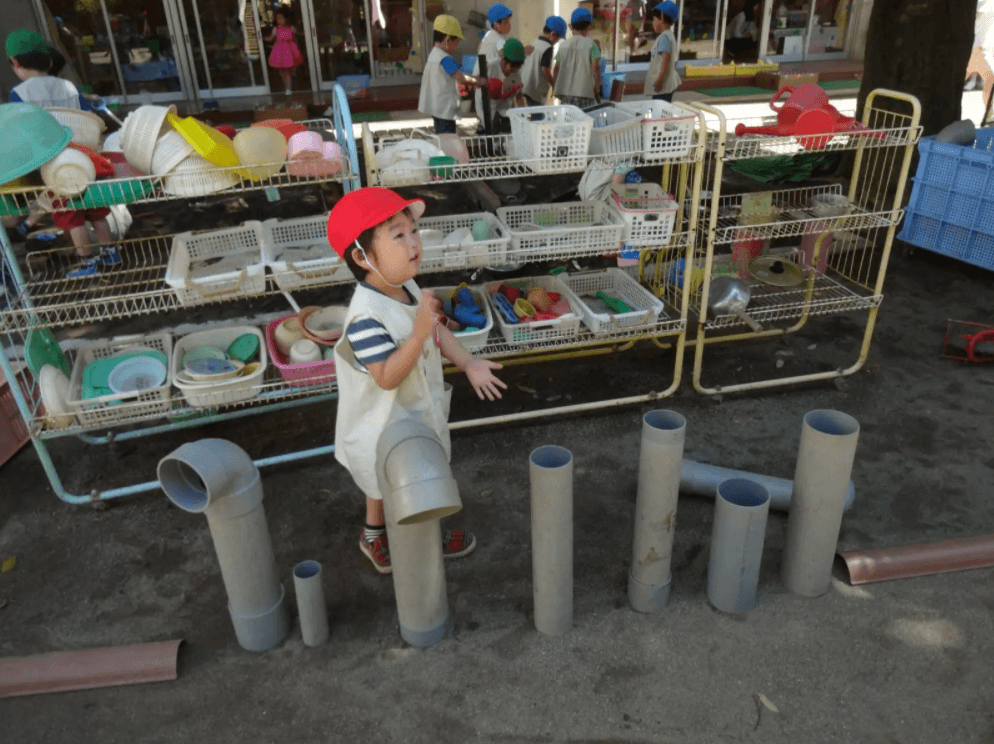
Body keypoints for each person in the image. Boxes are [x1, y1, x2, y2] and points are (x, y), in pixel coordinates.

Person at [326, 187, 507, 574]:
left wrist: (468, 362)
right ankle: (383, 536)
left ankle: (413, 533)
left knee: (414, 477)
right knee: (386, 482)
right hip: (380, 423)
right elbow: (386, 376)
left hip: (412, 412)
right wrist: (419, 332)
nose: (413, 243)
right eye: (397, 235)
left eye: (413, 232)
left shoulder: (405, 287)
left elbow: (436, 331)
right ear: (361, 257)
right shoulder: (365, 318)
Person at [5, 30, 117, 274]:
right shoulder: (68, 86)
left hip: (55, 163)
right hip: (85, 157)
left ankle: (86, 261)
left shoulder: (20, 93)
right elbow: (88, 117)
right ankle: (110, 253)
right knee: (97, 210)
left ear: (15, 62)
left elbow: (22, 129)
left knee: (71, 216)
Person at [417, 15, 485, 134]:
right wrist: (478, 81)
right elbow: (460, 77)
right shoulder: (445, 59)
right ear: (448, 40)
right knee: (447, 136)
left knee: (441, 134)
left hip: (436, 108)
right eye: (455, 43)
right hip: (445, 109)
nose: (455, 47)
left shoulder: (433, 54)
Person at [473, 4, 513, 130]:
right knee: (491, 124)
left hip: (486, 87)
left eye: (509, 21)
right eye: (506, 22)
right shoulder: (496, 38)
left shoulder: (489, 37)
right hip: (489, 88)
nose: (509, 25)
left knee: (488, 122)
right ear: (496, 24)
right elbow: (508, 55)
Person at [553, 8, 601, 109]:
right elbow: (595, 68)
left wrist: (555, 87)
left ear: (571, 26)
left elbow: (556, 68)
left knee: (569, 118)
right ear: (589, 26)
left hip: (565, 94)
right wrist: (597, 90)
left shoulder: (562, 46)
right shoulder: (591, 45)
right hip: (584, 93)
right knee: (585, 117)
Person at [521, 16, 566, 106]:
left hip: (524, 87)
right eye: (558, 38)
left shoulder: (535, 42)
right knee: (538, 114)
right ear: (553, 34)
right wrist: (554, 85)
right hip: (534, 91)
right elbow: (545, 69)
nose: (557, 41)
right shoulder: (548, 47)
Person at [486, 37, 526, 133]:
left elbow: (519, 97)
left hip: (506, 116)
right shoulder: (490, 67)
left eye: (515, 69)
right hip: (488, 115)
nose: (511, 72)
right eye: (510, 68)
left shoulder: (517, 74)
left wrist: (525, 115)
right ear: (503, 60)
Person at [645, 1, 681, 102]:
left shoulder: (664, 37)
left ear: (661, 18)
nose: (653, 23)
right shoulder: (669, 35)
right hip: (667, 83)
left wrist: (660, 80)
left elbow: (666, 58)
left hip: (663, 86)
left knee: (659, 107)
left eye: (654, 20)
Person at [265, 9, 304, 94]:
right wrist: (262, 38)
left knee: (288, 70)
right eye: (278, 18)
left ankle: (288, 87)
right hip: (279, 52)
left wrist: (300, 25)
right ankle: (287, 86)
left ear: (286, 19)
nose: (279, 20)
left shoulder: (291, 28)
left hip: (290, 52)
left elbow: (299, 33)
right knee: (283, 71)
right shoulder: (275, 29)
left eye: (281, 18)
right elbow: (270, 38)